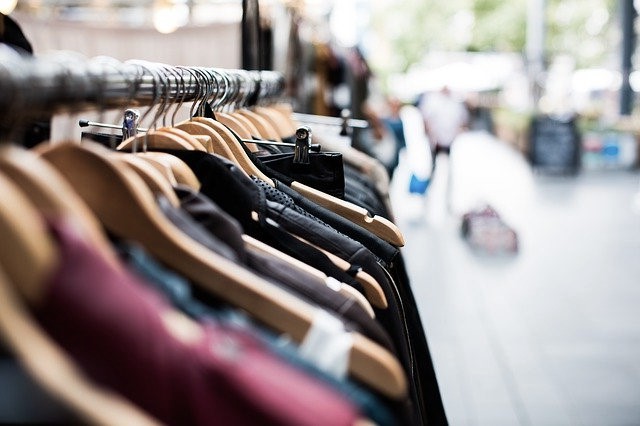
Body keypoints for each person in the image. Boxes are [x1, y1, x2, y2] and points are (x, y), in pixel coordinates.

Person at [418, 86, 469, 175]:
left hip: (450, 140)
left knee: (448, 165)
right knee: (433, 166)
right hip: (435, 140)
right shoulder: (432, 101)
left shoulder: (455, 102)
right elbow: (425, 119)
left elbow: (463, 121)